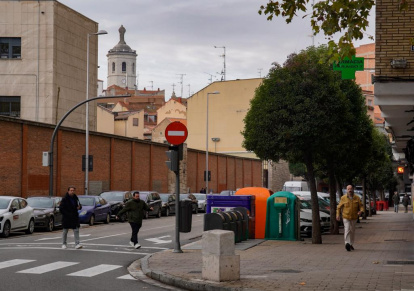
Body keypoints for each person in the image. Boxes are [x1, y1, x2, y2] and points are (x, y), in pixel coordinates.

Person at [336, 184, 364, 252]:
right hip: (346, 216)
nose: (350, 190)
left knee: (352, 231)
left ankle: (351, 243)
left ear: (353, 189)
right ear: (347, 190)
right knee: (347, 229)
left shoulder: (357, 198)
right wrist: (338, 215)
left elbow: (361, 206)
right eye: (348, 189)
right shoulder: (343, 198)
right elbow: (339, 207)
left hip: (354, 217)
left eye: (351, 189)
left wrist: (361, 211)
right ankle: (347, 244)